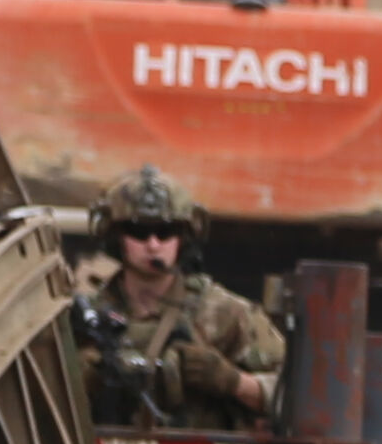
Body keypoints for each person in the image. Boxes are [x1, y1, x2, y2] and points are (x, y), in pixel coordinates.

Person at [69, 167, 282, 426]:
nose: (153, 245)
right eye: (138, 232)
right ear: (116, 236)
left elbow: (298, 398)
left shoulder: (225, 313)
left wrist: (234, 381)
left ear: (184, 237)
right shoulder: (81, 318)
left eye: (166, 231)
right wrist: (74, 380)